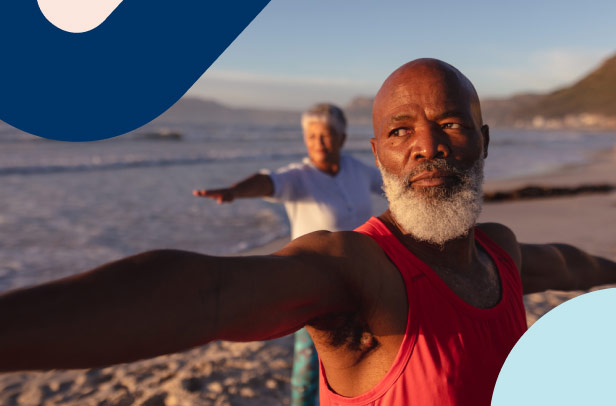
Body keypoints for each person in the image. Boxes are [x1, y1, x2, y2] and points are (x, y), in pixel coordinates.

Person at [1, 59, 615, 405]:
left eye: (450, 122)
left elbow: (572, 265)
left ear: (483, 139)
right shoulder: (357, 267)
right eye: (400, 131)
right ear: (379, 155)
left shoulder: (499, 251)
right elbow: (207, 292)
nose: (426, 145)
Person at [192, 103, 383, 405]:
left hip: (362, 282)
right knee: (308, 368)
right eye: (311, 136)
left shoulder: (357, 170)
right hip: (313, 288)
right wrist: (235, 191)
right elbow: (268, 181)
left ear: (342, 138)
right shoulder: (299, 177)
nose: (318, 143)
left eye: (326, 135)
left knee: (365, 360)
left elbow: (390, 185)